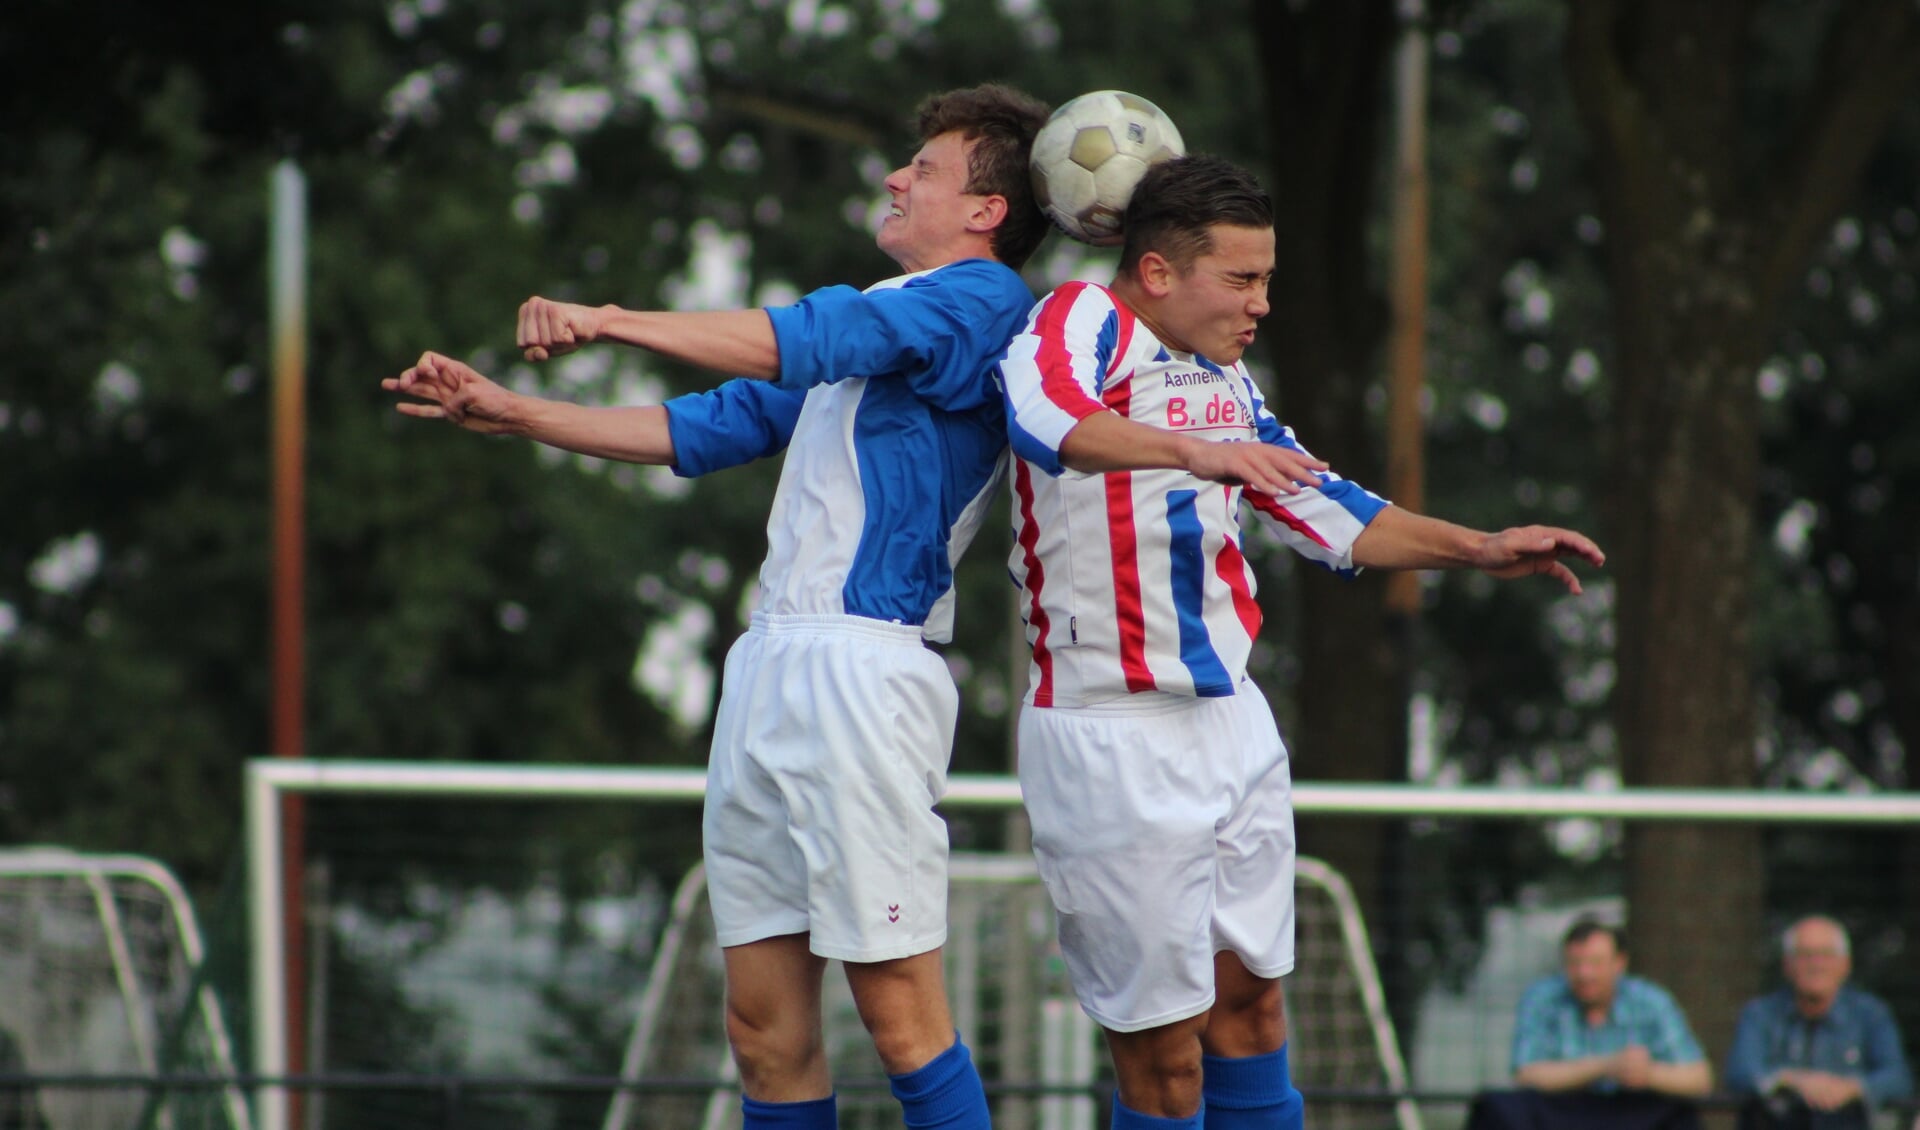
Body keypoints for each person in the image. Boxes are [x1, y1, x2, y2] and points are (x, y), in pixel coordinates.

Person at [384, 83, 1051, 1130]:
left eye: (925, 168)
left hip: (864, 669)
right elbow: (711, 424)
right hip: (772, 667)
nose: (895, 174)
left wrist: (608, 318)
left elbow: (801, 339)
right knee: (761, 1027)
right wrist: (513, 412)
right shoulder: (883, 315)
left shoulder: (984, 303)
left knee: (897, 1011)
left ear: (988, 211)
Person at [994, 152, 1606, 1130]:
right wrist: (1195, 450)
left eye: (1267, 278)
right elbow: (1040, 417)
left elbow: (1320, 502)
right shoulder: (1078, 319)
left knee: (1254, 1007)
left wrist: (1479, 546)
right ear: (1157, 271)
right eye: (1242, 278)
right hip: (1110, 730)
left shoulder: (1224, 373)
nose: (1262, 303)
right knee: (1163, 1054)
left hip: (1231, 722)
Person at [1726, 915, 1913, 1130]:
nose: (1816, 965)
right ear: (1787, 965)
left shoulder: (1871, 1014)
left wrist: (1851, 1088)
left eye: (1826, 955)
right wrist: (1791, 1080)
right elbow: (1740, 1073)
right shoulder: (1759, 1014)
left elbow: (1898, 1077)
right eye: (1805, 955)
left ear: (1845, 965)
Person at [1509, 920, 1712, 1097]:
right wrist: (1606, 1066)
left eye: (1595, 963)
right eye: (1574, 963)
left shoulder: (1651, 1001)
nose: (1584, 974)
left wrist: (1649, 1073)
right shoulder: (1542, 998)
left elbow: (1699, 1079)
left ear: (1619, 963)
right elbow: (1525, 1074)